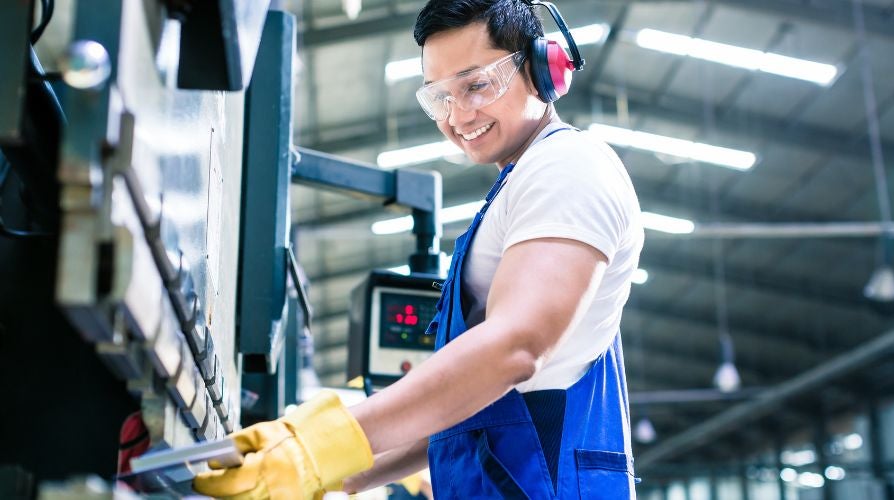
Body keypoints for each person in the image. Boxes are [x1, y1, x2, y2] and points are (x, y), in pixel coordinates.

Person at [193, 0, 643, 498]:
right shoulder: (519, 186)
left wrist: (321, 444)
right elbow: (469, 411)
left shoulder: (569, 167)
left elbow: (516, 346)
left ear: (542, 69)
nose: (459, 115)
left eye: (476, 85)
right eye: (440, 98)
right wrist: (331, 474)